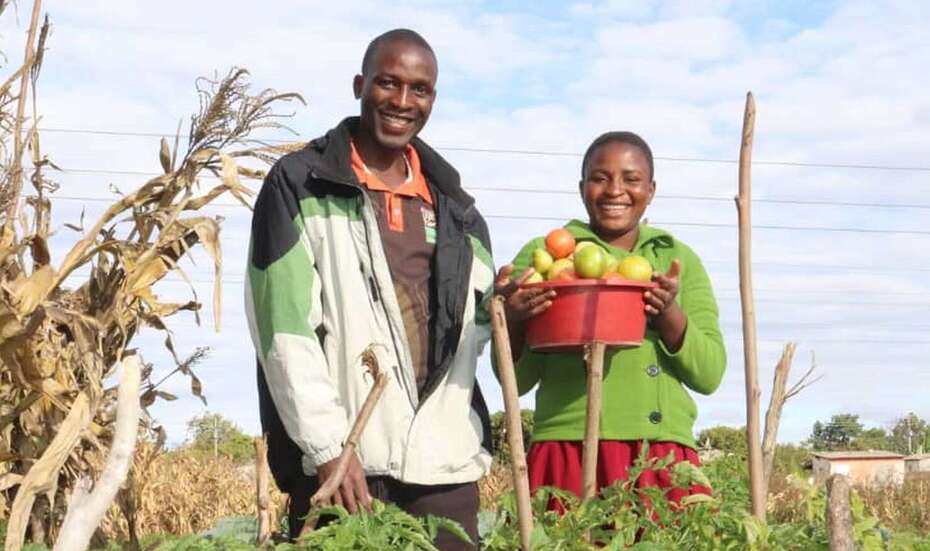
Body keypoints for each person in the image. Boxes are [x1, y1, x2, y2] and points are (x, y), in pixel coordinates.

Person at [245, 29, 495, 550]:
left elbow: (474, 333)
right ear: (360, 85)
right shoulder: (301, 184)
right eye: (388, 83)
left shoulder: (458, 209)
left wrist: (511, 309)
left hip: (443, 467)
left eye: (419, 89)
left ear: (432, 99)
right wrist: (328, 446)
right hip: (347, 467)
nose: (403, 101)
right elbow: (283, 331)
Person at [495, 131, 726, 507]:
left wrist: (667, 312)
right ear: (582, 187)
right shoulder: (546, 256)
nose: (615, 191)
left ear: (651, 189)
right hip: (567, 447)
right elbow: (514, 381)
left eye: (631, 179)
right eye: (600, 178)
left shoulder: (677, 259)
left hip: (659, 454)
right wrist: (514, 319)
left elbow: (710, 374)